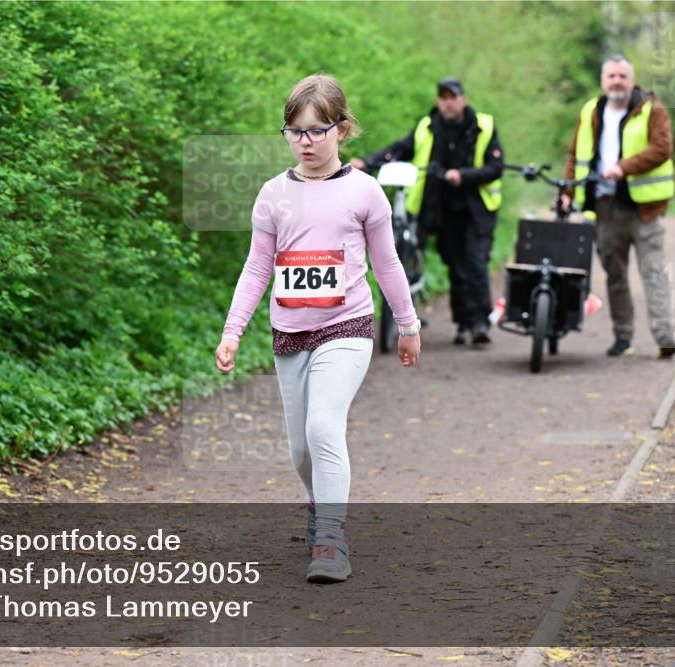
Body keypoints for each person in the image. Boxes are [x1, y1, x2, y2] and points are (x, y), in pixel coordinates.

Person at [215, 73, 420, 584]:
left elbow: (388, 265)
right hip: (290, 332)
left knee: (323, 427)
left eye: (316, 130)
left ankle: (330, 540)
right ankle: (316, 501)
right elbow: (257, 267)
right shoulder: (272, 195)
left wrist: (408, 324)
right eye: (295, 131)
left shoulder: (365, 192)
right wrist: (233, 330)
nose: (305, 141)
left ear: (342, 129)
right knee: (300, 449)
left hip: (346, 325)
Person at [351, 78, 504, 346]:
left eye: (453, 97)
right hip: (441, 211)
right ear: (438, 101)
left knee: (475, 263)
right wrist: (368, 162)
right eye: (443, 97)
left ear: (463, 99)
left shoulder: (483, 126)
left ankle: (481, 322)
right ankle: (464, 324)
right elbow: (399, 150)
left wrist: (463, 176)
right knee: (456, 267)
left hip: (476, 210)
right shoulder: (427, 127)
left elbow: (495, 168)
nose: (448, 102)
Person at [559, 55, 675, 358]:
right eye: (611, 76)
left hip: (645, 210)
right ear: (603, 80)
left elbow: (662, 148)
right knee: (615, 276)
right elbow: (575, 154)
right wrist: (568, 192)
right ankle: (622, 337)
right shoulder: (591, 111)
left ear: (631, 80)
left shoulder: (651, 109)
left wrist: (624, 167)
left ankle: (663, 334)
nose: (616, 82)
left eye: (622, 76)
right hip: (605, 208)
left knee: (653, 272)